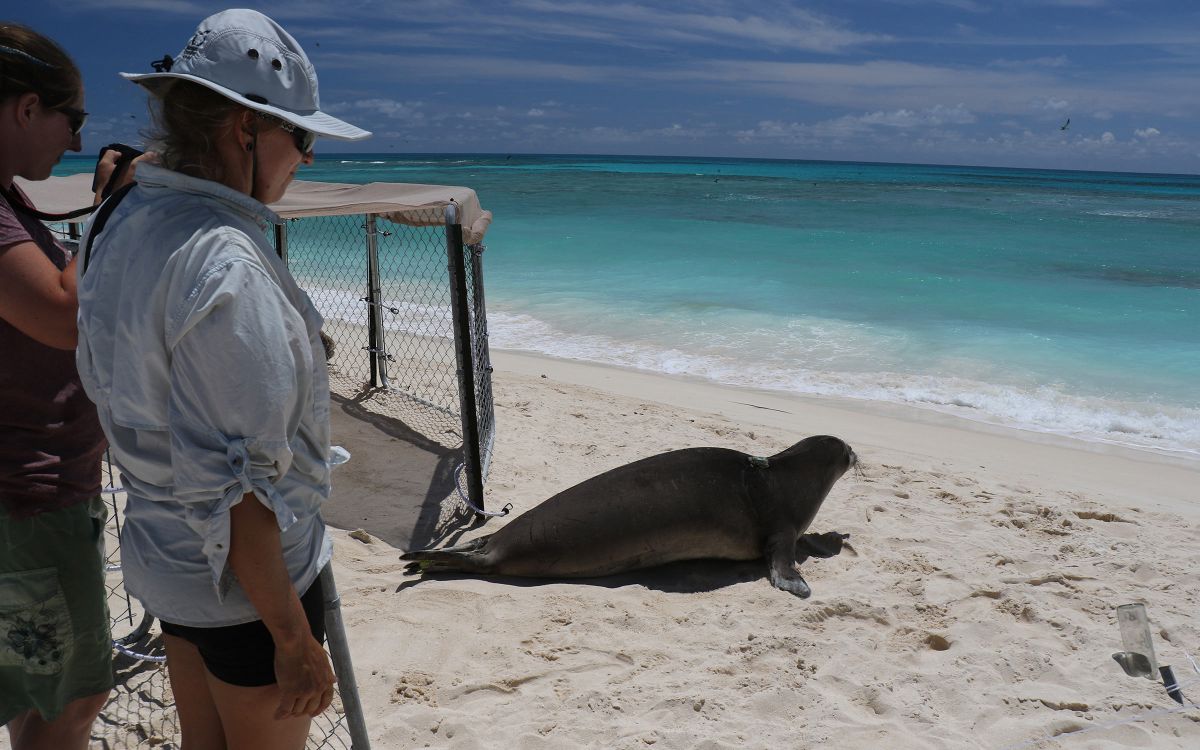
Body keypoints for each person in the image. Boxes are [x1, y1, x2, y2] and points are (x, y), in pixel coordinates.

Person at [75, 9, 370, 750]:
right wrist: (293, 638)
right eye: (300, 138)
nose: (307, 159)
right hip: (247, 595)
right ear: (246, 129)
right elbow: (238, 489)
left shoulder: (121, 219)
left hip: (168, 565)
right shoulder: (226, 264)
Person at [0, 22, 114, 750]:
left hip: (32, 493)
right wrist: (109, 205)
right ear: (26, 108)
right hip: (29, 497)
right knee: (72, 696)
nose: (76, 141)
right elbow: (63, 317)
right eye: (73, 120)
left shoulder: (9, 199)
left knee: (36, 685)